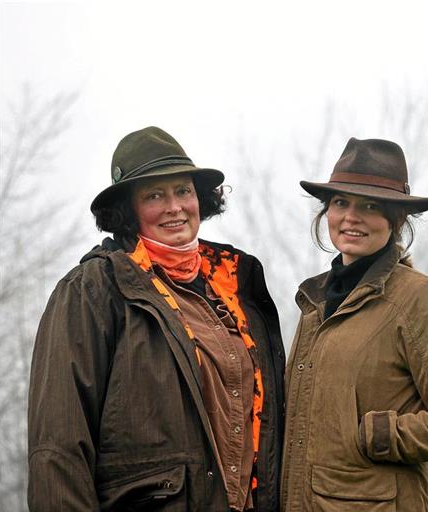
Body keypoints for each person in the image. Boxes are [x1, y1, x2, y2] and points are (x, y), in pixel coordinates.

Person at [27, 127, 285, 511]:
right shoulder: (92, 290)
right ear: (128, 211)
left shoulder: (237, 286)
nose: (174, 206)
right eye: (154, 195)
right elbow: (57, 450)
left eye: (183, 190)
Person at [280, 138, 428, 511]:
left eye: (371, 206)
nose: (351, 217)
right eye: (340, 202)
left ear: (397, 220)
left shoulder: (418, 298)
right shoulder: (314, 302)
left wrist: (382, 435)